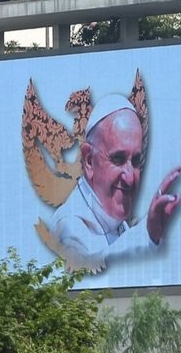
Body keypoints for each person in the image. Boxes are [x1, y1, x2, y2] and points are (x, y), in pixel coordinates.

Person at [50, 94, 181, 271]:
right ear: (89, 161)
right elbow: (90, 275)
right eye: (117, 159)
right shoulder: (67, 227)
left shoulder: (117, 225)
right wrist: (148, 233)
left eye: (135, 161)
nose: (130, 177)